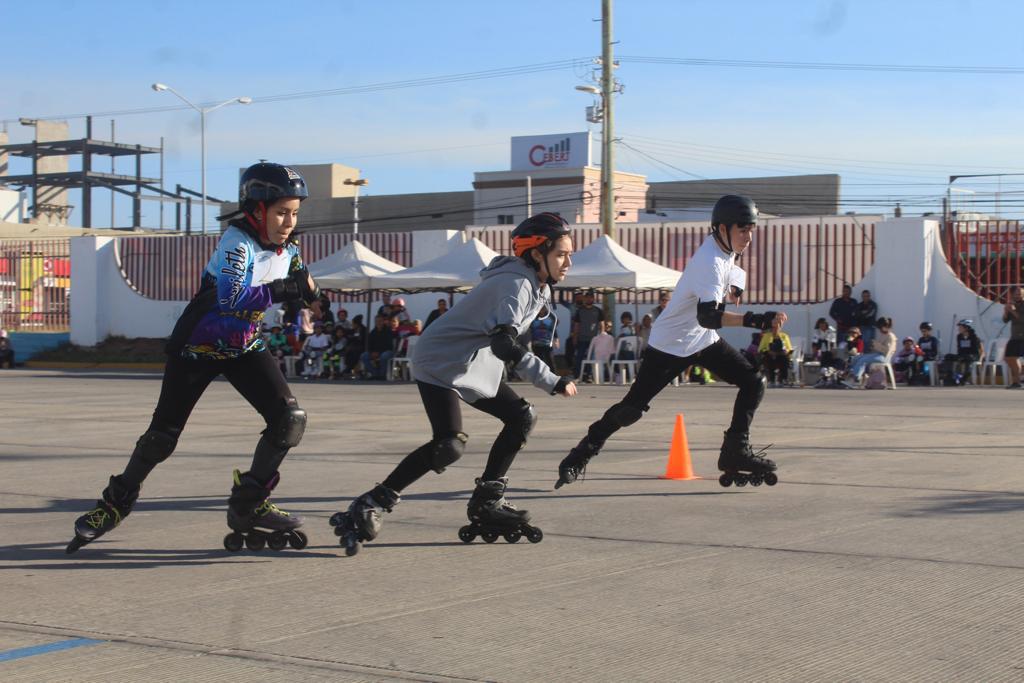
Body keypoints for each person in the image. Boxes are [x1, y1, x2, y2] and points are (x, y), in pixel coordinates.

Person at [66, 162, 318, 554]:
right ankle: (112, 506)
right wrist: (290, 288)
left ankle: (248, 505)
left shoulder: (290, 249)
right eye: (281, 212)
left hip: (244, 347)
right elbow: (231, 298)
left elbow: (301, 281)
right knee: (161, 438)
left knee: (289, 419)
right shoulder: (237, 243)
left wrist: (313, 297)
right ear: (256, 210)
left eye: (295, 213)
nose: (288, 221)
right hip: (196, 348)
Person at [329, 212, 577, 555]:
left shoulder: (535, 284)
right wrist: (550, 379)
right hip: (440, 360)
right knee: (449, 444)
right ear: (537, 254)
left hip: (471, 361)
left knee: (521, 417)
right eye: (562, 254)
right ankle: (372, 503)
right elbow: (506, 344)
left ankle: (487, 501)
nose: (568, 262)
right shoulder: (516, 284)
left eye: (569, 254)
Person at [555, 195, 783, 490]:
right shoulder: (710, 262)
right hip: (670, 345)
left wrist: (737, 283)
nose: (749, 237)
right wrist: (755, 319)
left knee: (754, 383)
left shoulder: (725, 249)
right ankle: (578, 455)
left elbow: (732, 267)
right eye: (743, 230)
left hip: (701, 340)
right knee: (631, 410)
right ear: (722, 229)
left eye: (752, 230)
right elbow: (709, 317)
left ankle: (735, 451)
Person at [842, 317, 897, 388]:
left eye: (880, 327)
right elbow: (878, 348)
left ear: (885, 326)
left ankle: (855, 380)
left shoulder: (891, 337)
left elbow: (887, 351)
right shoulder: (883, 335)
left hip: (884, 357)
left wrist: (876, 345)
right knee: (857, 358)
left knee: (863, 360)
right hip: (878, 354)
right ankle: (852, 376)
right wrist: (873, 346)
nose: (879, 329)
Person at [572, 290, 605, 380]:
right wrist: (575, 337)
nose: (589, 299)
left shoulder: (598, 311)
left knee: (591, 358)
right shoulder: (580, 311)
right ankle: (577, 376)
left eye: (591, 297)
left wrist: (601, 337)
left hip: (594, 340)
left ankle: (589, 376)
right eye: (587, 297)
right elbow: (576, 325)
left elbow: (602, 324)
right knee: (579, 357)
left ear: (593, 298)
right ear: (585, 298)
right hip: (582, 338)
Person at [758, 317, 793, 386]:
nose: (775, 328)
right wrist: (768, 351)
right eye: (773, 327)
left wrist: (786, 352)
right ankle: (772, 380)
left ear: (780, 327)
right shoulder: (766, 336)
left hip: (781, 355)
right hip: (770, 355)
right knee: (769, 359)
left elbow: (790, 349)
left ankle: (782, 379)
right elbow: (760, 349)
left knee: (785, 359)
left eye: (777, 327)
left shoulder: (784, 336)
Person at [360, 315, 395, 380]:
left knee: (384, 356)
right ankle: (375, 374)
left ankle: (382, 375)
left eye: (380, 321)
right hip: (375, 352)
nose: (378, 323)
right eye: (376, 321)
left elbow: (389, 345)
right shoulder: (373, 332)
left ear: (383, 322)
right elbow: (369, 345)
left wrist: (379, 352)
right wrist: (371, 352)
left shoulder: (388, 331)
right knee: (364, 356)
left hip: (387, 351)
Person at [1002, 286, 1024, 388]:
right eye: (1016, 294)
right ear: (1012, 294)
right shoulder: (1013, 304)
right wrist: (1006, 310)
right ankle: (1017, 381)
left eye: (1020, 293)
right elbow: (1005, 320)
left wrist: (1012, 311)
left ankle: (1017, 381)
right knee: (1009, 358)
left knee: (1014, 358)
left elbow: (1022, 319)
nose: (1018, 295)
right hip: (1015, 336)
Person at [951, 319, 983, 385]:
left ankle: (965, 377)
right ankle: (951, 376)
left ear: (966, 328)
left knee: (968, 358)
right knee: (948, 356)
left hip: (973, 355)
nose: (959, 329)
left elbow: (981, 351)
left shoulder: (974, 337)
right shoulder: (959, 337)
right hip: (963, 355)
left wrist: (980, 360)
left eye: (960, 327)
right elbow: (959, 349)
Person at [529, 306, 558, 371]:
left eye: (542, 309)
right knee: (538, 361)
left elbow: (554, 330)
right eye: (539, 309)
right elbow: (530, 330)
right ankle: (539, 376)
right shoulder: (533, 319)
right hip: (536, 344)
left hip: (547, 344)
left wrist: (556, 340)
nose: (540, 311)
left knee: (550, 361)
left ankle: (554, 375)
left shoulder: (550, 319)